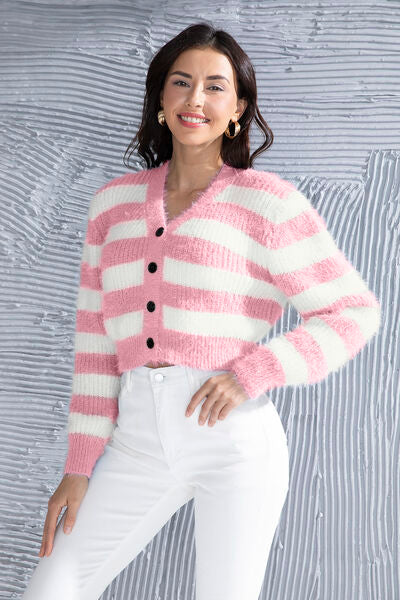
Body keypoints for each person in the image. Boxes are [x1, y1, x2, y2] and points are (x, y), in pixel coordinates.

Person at [22, 22, 381, 600]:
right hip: (136, 441)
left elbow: (352, 312)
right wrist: (79, 465)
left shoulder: (267, 202)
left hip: (232, 442)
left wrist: (255, 372)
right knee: (50, 590)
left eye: (216, 87)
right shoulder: (112, 206)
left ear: (237, 109)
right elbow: (95, 345)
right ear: (161, 98)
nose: (196, 99)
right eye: (181, 82)